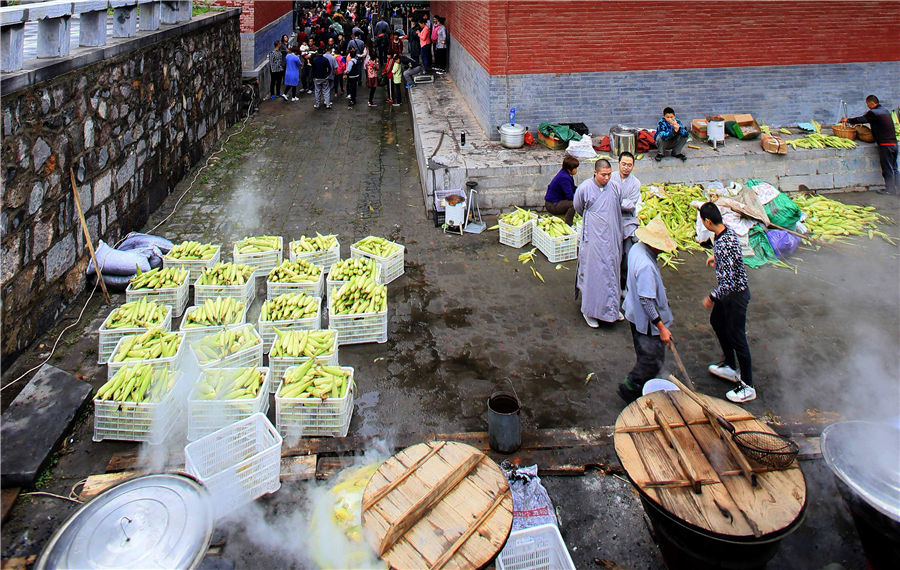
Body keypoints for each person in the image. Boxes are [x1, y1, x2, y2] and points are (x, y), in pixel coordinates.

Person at [700, 202, 756, 403]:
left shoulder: (723, 243)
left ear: (707, 221)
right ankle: (730, 365)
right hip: (729, 295)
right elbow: (732, 258)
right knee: (717, 321)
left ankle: (748, 386)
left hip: (736, 296)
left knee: (737, 336)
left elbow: (728, 284)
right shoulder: (725, 233)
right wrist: (716, 259)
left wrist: (711, 297)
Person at [617, 216, 677, 403]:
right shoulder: (646, 267)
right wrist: (662, 327)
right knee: (651, 360)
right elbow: (647, 301)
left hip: (633, 312)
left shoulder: (637, 249)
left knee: (645, 354)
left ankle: (640, 385)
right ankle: (630, 386)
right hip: (645, 321)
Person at [574, 159, 623, 327]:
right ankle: (590, 311)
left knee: (612, 271)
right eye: (603, 175)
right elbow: (578, 206)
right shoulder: (585, 188)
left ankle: (612, 309)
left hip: (611, 237)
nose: (607, 178)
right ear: (595, 173)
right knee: (593, 273)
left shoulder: (615, 187)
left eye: (609, 174)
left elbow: (618, 204)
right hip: (594, 238)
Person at [843, 94, 899, 196]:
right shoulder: (885, 111)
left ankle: (890, 189)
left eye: (867, 104)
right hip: (894, 144)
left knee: (887, 168)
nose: (867, 106)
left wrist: (848, 120)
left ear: (871, 103)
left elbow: (862, 119)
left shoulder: (874, 113)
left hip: (885, 144)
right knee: (894, 167)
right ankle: (898, 188)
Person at [608, 151, 642, 289]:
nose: (626, 167)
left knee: (627, 254)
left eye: (629, 165)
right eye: (624, 164)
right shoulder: (610, 178)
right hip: (610, 220)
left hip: (627, 222)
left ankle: (623, 284)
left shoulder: (635, 183)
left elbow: (630, 205)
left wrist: (617, 201)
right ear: (618, 164)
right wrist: (620, 202)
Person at [544, 155, 578, 225]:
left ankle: (565, 216)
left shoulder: (565, 173)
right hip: (552, 204)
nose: (576, 170)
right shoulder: (564, 178)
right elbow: (570, 196)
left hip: (558, 201)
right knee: (573, 204)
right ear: (569, 169)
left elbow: (572, 188)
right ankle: (568, 224)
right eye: (575, 168)